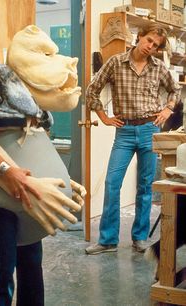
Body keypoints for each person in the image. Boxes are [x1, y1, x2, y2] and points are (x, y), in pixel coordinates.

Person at [0, 26, 84, 306]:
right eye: (46, 54)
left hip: (26, 195)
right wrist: (7, 171)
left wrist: (60, 181)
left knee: (31, 266)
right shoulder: (0, 94)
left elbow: (35, 147)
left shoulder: (33, 104)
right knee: (1, 271)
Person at [85, 23, 181, 255]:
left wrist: (168, 109)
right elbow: (91, 90)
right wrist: (104, 118)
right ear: (139, 37)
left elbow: (175, 90)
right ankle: (108, 240)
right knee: (111, 184)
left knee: (145, 186)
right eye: (149, 41)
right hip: (125, 132)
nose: (151, 47)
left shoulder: (159, 67)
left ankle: (140, 238)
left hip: (150, 129)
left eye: (156, 46)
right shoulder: (116, 62)